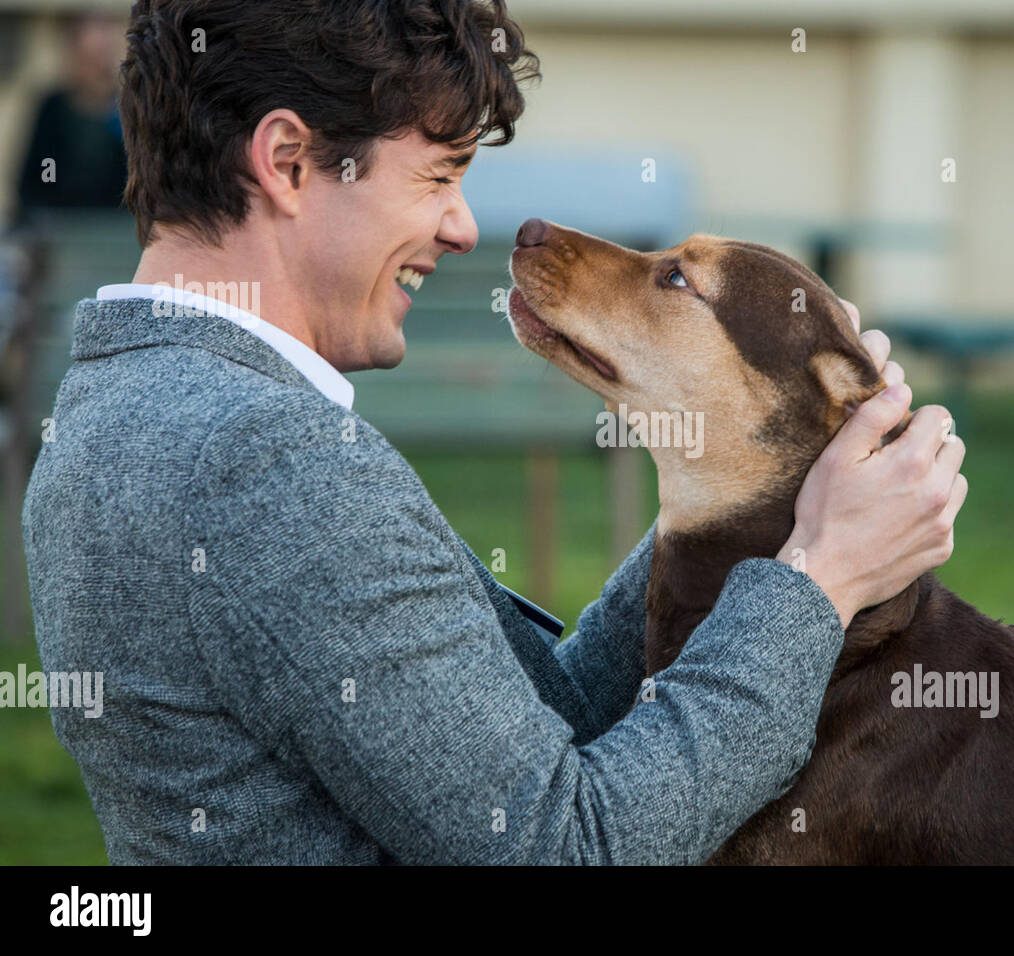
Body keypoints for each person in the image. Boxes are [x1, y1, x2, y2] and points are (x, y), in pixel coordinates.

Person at [22, 0, 966, 864]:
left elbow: (526, 740)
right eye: (437, 175)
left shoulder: (112, 409)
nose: (464, 225)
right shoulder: (268, 465)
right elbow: (567, 844)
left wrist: (760, 466)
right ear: (288, 162)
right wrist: (820, 582)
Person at [14, 13, 129, 218]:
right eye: (90, 59)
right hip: (62, 229)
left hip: (116, 232)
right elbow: (36, 183)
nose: (98, 69)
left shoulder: (127, 111)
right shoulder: (54, 109)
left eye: (103, 58)